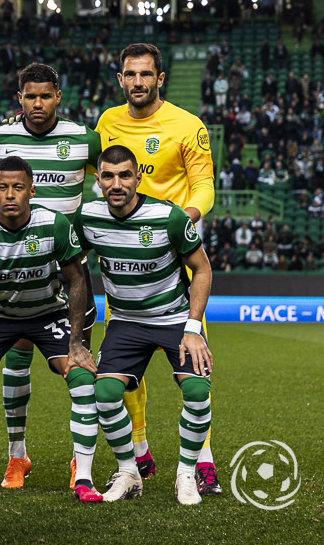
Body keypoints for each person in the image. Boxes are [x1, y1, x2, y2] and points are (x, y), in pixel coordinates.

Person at [95, 43, 220, 495]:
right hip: (125, 260)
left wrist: (185, 216)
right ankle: (139, 451)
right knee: (126, 368)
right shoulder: (107, 122)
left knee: (195, 362)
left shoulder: (188, 126)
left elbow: (205, 183)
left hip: (174, 252)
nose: (138, 82)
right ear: (120, 78)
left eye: (146, 74)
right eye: (130, 74)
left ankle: (201, 460)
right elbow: (90, 169)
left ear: (160, 78)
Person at [0, 155, 102, 503]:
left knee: (82, 379)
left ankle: (84, 479)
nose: (10, 194)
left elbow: (76, 281)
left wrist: (77, 342)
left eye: (18, 187)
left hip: (47, 315)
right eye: (3, 187)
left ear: (32, 190)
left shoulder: (55, 224)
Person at [80, 145, 213, 505]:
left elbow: (202, 269)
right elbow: (70, 263)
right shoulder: (87, 217)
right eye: (108, 176)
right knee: (105, 396)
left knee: (198, 393)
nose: (117, 183)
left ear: (138, 177)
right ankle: (129, 472)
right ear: (98, 180)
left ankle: (186, 474)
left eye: (125, 175)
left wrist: (194, 328)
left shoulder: (169, 217)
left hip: (174, 320)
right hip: (125, 322)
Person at [0, 63, 101, 490]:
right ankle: (18, 456)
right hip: (16, 272)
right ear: (19, 99)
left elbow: (110, 180)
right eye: (29, 97)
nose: (38, 104)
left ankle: (80, 459)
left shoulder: (83, 139)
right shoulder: (0, 137)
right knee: (17, 360)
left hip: (70, 274)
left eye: (46, 96)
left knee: (79, 362)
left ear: (59, 96)